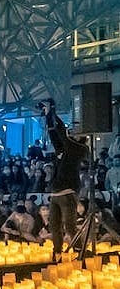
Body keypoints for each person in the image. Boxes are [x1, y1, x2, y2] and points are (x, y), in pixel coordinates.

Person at [42, 98, 88, 261]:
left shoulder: (79, 149)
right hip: (56, 193)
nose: (72, 132)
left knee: (69, 226)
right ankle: (57, 252)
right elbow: (55, 134)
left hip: (68, 193)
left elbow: (61, 133)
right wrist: (48, 116)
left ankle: (79, 252)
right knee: (54, 225)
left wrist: (53, 111)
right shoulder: (65, 148)